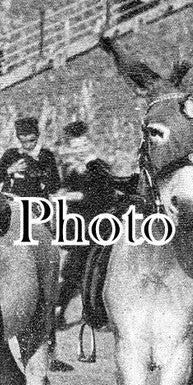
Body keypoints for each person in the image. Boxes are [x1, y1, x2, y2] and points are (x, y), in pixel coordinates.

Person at [53, 121, 132, 323]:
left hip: (98, 223)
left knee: (86, 267)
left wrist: (70, 197)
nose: (79, 150)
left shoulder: (100, 167)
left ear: (90, 144)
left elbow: (100, 197)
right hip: (79, 224)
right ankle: (61, 310)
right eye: (75, 146)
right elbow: (69, 188)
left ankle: (91, 310)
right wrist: (64, 193)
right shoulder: (72, 169)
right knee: (74, 268)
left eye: (82, 145)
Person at [0, 116, 60, 198]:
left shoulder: (46, 155)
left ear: (37, 136)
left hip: (37, 200)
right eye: (23, 141)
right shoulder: (11, 154)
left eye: (32, 140)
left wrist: (38, 171)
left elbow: (55, 185)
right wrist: (11, 170)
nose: (28, 145)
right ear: (18, 138)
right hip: (12, 199)